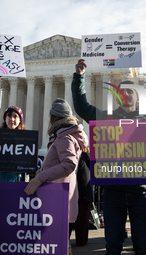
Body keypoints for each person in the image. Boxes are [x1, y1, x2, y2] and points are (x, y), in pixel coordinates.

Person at [71, 59, 146, 255]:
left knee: (142, 245)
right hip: (114, 192)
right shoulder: (106, 119)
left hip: (142, 193)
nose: (126, 95)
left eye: (131, 92)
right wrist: (79, 77)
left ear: (138, 97)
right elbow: (81, 107)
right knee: (113, 245)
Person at [25, 98, 88, 255]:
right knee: (60, 245)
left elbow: (69, 165)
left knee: (56, 246)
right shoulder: (66, 135)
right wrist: (42, 171)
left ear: (54, 118)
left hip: (58, 199)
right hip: (62, 197)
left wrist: (41, 177)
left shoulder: (64, 137)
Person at [0, 105, 26, 254]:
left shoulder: (26, 140)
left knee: (12, 224)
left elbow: (28, 164)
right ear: (5, 119)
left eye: (15, 117)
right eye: (9, 116)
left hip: (15, 187)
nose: (12, 119)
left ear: (19, 120)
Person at [69, 145, 93, 246]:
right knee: (82, 219)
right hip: (82, 191)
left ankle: (77, 240)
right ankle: (81, 241)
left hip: (79, 190)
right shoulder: (86, 155)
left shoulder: (81, 155)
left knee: (73, 218)